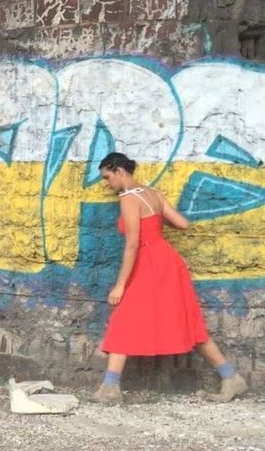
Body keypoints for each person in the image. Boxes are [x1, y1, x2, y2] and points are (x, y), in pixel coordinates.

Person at [91, 152, 248, 404]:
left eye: (108, 177)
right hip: (168, 261)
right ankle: (231, 377)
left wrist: (120, 285)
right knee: (188, 322)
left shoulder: (129, 199)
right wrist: (156, 227)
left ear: (119, 170)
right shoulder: (152, 193)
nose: (107, 183)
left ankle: (110, 389)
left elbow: (132, 245)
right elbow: (183, 224)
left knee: (123, 319)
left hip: (148, 265)